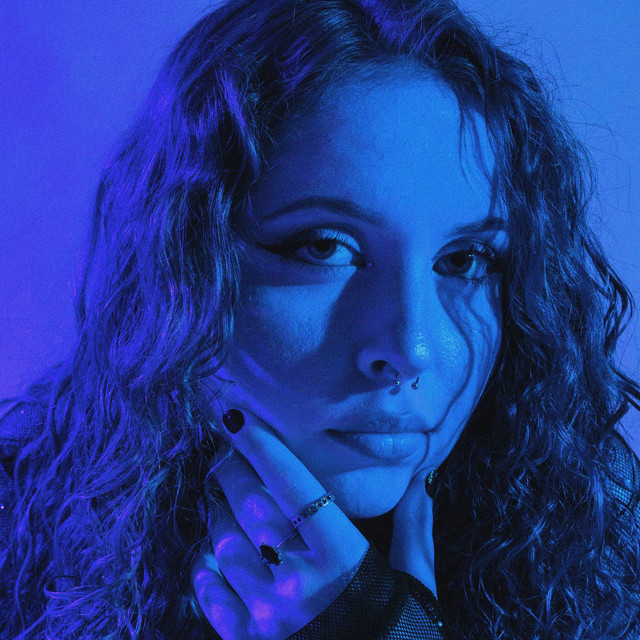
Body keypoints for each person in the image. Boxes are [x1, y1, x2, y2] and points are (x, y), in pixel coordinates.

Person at [1, 0, 639, 637]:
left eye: (465, 259)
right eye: (324, 247)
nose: (411, 347)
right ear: (184, 264)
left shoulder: (582, 581)